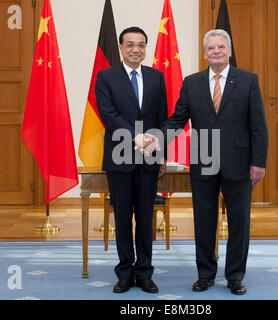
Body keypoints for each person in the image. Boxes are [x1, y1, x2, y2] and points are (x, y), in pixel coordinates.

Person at [138, 29, 268, 295]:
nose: (216, 51)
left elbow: (258, 126)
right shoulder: (192, 82)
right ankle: (206, 275)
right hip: (203, 162)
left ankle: (234, 276)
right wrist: (155, 137)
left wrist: (258, 162)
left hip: (239, 163)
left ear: (230, 51)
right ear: (205, 53)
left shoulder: (248, 80)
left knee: (239, 221)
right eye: (211, 48)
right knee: (204, 220)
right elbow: (177, 120)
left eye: (221, 47)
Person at [95, 26, 168, 294]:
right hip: (120, 156)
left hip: (149, 158)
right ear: (121, 47)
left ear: (145, 48)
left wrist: (161, 155)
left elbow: (162, 116)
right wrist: (134, 136)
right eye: (130, 44)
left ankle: (144, 273)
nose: (136, 49)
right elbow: (107, 113)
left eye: (141, 44)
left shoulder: (157, 77)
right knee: (123, 218)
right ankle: (124, 272)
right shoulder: (106, 77)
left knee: (146, 218)